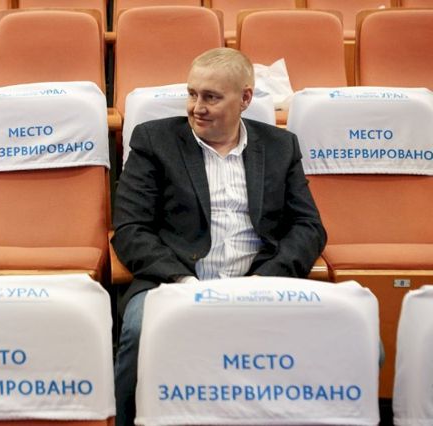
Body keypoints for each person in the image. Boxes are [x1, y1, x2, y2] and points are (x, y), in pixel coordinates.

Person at [111, 47, 327, 426]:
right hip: (173, 281)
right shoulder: (154, 141)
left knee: (348, 337)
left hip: (261, 283)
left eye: (211, 97)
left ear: (245, 98)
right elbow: (131, 229)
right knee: (141, 328)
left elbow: (309, 227)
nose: (197, 108)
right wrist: (184, 283)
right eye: (192, 94)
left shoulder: (279, 146)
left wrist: (266, 280)